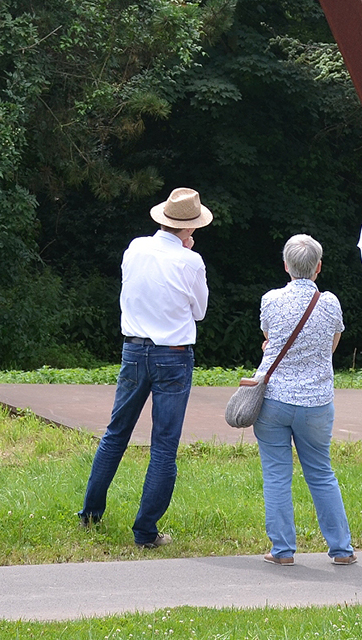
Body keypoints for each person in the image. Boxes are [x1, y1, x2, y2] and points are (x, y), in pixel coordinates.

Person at [78, 187, 212, 548]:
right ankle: (145, 532)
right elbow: (199, 311)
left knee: (115, 434)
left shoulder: (135, 248)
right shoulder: (190, 262)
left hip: (134, 351)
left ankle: (90, 514)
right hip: (174, 354)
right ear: (188, 229)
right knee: (164, 446)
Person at [251, 234, 354, 565]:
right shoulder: (331, 303)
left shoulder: (271, 300)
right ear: (318, 267)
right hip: (316, 402)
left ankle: (282, 551)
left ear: (285, 265)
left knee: (277, 474)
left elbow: (271, 340)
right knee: (321, 473)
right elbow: (332, 346)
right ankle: (341, 549)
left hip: (274, 399)